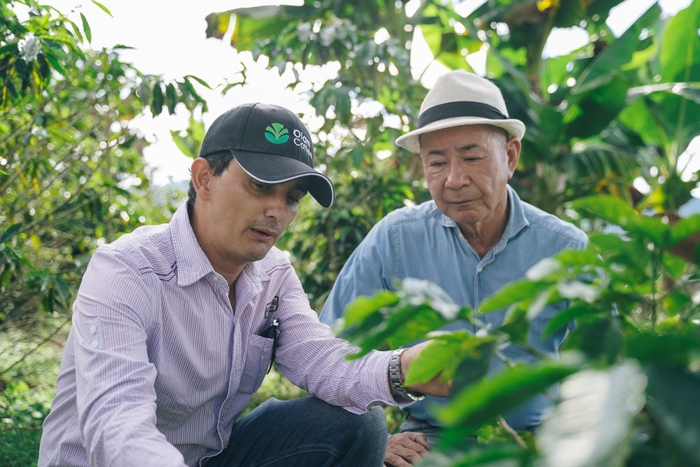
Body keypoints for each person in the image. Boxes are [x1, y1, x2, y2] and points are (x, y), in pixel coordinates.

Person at [38, 102, 449, 467]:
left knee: (359, 423)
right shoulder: (128, 271)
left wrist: (404, 369)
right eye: (260, 186)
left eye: (292, 197)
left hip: (209, 457)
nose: (277, 211)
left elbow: (320, 358)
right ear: (203, 178)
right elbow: (117, 424)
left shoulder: (273, 275)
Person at [320, 70, 588, 467]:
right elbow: (328, 352)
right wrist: (374, 441)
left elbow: (605, 368)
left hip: (536, 447)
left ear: (510, 156)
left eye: (472, 157)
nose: (454, 179)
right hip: (428, 447)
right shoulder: (395, 239)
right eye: (437, 162)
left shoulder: (566, 249)